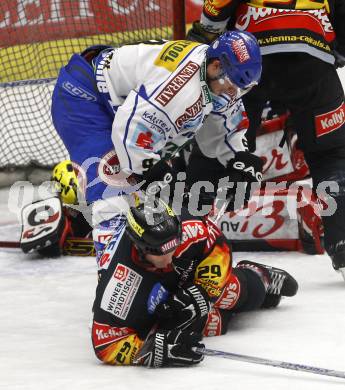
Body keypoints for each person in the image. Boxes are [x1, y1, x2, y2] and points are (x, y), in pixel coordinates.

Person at [51, 31, 264, 263]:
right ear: (215, 66)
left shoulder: (217, 78)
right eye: (231, 85)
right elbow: (129, 137)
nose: (233, 94)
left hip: (123, 106)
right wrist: (161, 176)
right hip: (85, 98)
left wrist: (242, 160)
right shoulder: (180, 88)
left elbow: (226, 129)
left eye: (242, 89)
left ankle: (79, 219)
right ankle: (113, 275)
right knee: (113, 191)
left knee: (155, 192)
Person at [186, 0, 345, 275]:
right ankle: (343, 242)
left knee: (215, 147)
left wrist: (204, 34)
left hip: (248, 57)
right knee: (331, 156)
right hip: (312, 61)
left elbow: (217, 5)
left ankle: (185, 236)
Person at [91, 198, 298, 367]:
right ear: (140, 248)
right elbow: (106, 344)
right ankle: (219, 314)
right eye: (160, 251)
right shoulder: (119, 283)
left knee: (231, 294)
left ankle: (258, 276)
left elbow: (218, 245)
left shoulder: (187, 228)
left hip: (190, 269)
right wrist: (156, 349)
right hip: (151, 300)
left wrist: (205, 290)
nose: (170, 256)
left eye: (175, 244)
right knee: (207, 325)